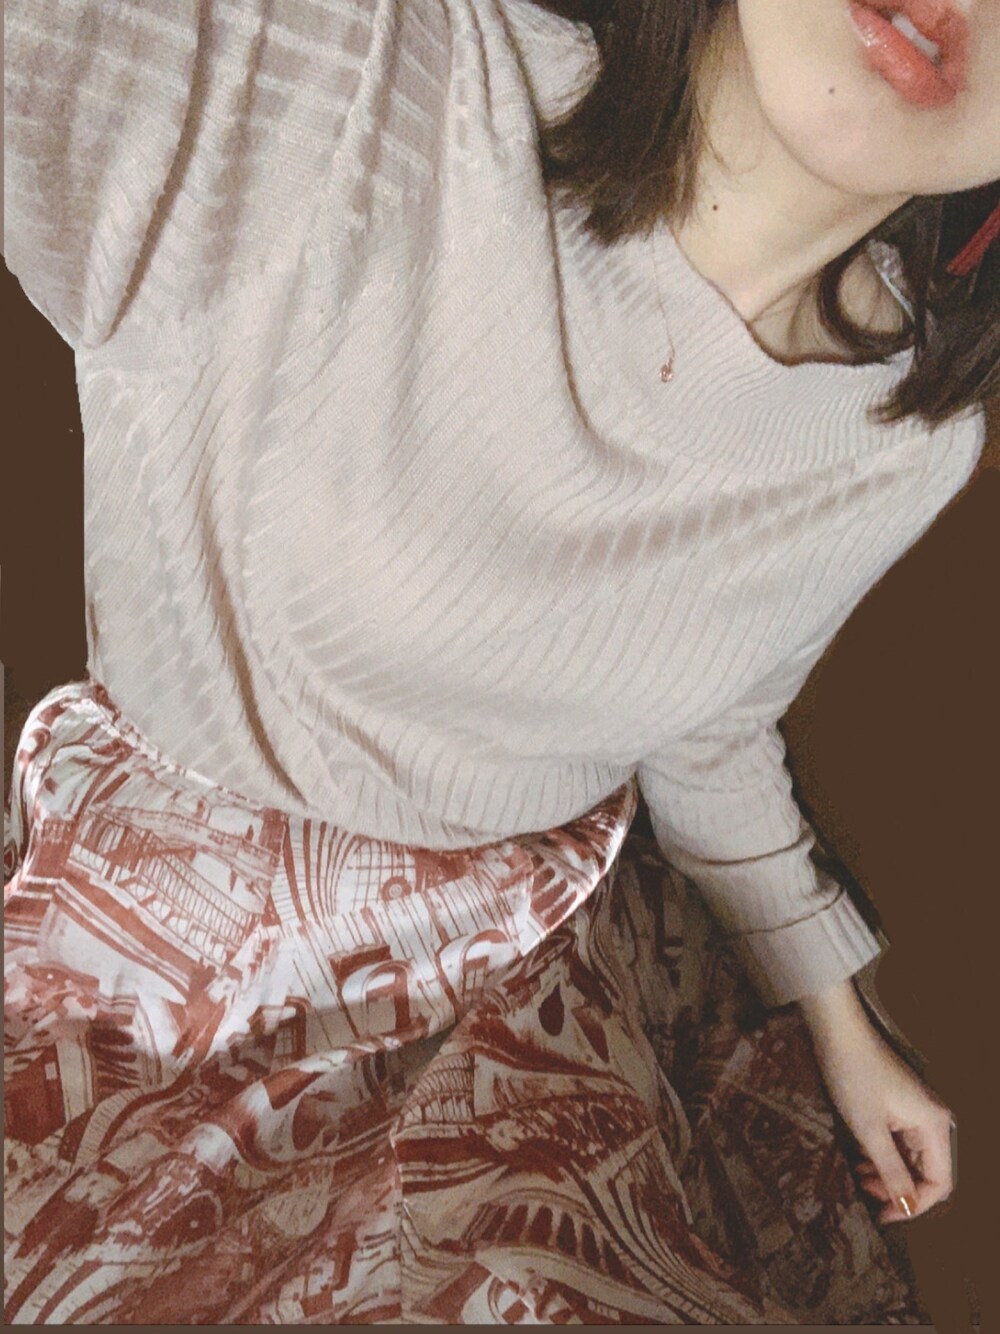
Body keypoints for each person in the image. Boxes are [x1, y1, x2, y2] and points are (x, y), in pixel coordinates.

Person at [3, 0, 997, 1323]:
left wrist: (839, 1020)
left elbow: (713, 725)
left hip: (532, 953)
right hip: (164, 984)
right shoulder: (354, 68)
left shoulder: (907, 435)